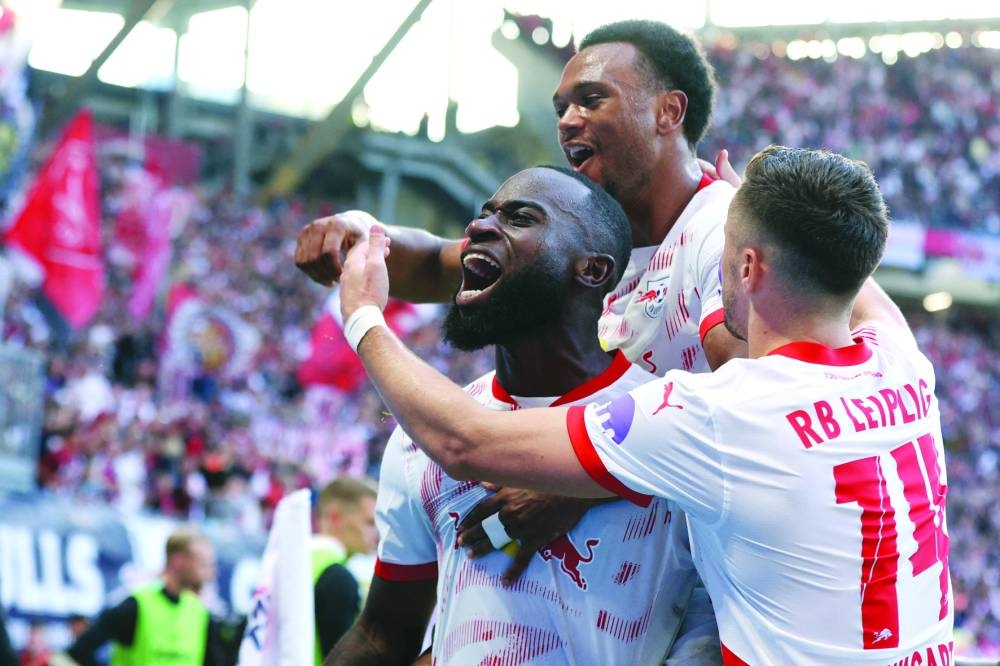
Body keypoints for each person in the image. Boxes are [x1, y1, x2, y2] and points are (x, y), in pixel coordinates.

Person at [336, 146, 954, 664]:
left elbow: (465, 442)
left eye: (718, 249)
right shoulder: (902, 363)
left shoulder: (717, 414)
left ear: (746, 267)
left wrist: (364, 314)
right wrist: (754, 205)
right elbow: (853, 276)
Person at [295, 19, 743, 588]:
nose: (567, 121)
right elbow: (436, 263)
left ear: (668, 112)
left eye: (592, 99)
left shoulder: (719, 232)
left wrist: (580, 482)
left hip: (705, 594)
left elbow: (762, 406)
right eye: (561, 107)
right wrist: (361, 230)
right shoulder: (585, 237)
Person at [329, 165, 711, 664]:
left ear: (593, 271)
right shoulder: (417, 440)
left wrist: (363, 315)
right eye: (484, 213)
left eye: (520, 218)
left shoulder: (671, 423)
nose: (477, 227)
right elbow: (382, 634)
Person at [65, 528, 225, 666]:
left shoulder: (199, 612)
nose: (211, 572)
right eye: (203, 564)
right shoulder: (136, 605)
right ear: (178, 560)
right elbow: (78, 652)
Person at [312, 477, 378, 665]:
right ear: (335, 518)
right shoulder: (337, 577)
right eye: (370, 522)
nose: (376, 533)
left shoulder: (290, 560)